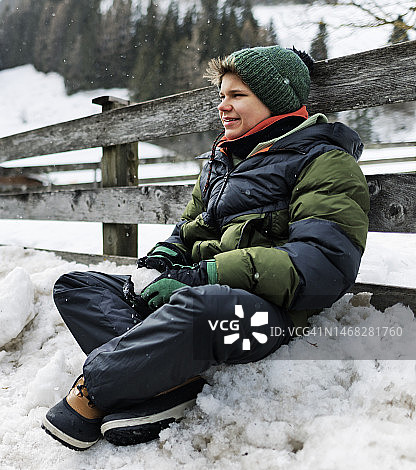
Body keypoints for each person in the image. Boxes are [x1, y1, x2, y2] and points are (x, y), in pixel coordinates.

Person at [42, 45, 370, 450]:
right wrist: (165, 257)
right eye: (221, 96)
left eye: (237, 96)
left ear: (276, 100)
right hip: (199, 292)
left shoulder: (324, 162)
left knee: (200, 310)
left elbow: (322, 268)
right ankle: (166, 387)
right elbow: (191, 228)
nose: (223, 107)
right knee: (78, 286)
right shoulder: (221, 160)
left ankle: (93, 392)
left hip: (265, 314)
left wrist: (204, 276)